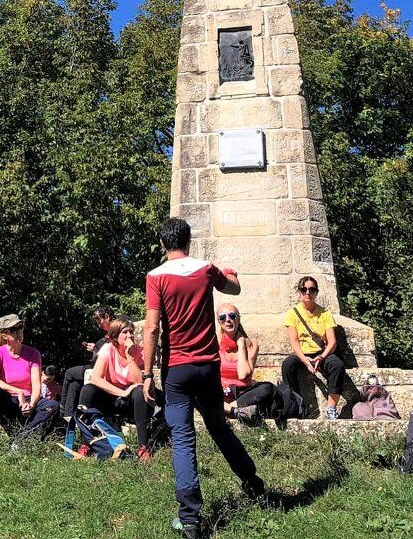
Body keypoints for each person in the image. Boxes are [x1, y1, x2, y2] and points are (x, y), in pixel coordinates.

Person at [142, 218, 265, 539]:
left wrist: (146, 373)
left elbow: (152, 328)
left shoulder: (155, 277)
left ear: (162, 243)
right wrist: (232, 272)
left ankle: (191, 519)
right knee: (218, 427)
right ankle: (253, 483)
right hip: (208, 366)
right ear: (189, 239)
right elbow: (233, 287)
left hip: (177, 370)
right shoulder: (204, 269)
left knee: (183, 438)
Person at [0, 314, 61, 458]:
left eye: (20, 327)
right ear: (4, 335)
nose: (19, 332)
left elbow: (36, 385)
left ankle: (20, 442)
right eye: (13, 330)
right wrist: (18, 392)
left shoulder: (33, 354)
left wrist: (32, 404)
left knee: (53, 405)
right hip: (9, 400)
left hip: (29, 401)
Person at [80, 318, 158, 461]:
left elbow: (140, 381)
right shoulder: (108, 349)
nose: (129, 336)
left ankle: (143, 447)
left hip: (131, 402)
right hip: (111, 398)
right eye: (125, 332)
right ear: (115, 336)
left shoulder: (139, 352)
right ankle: (87, 443)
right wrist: (122, 392)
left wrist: (129, 356)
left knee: (140, 391)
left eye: (131, 332)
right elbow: (96, 378)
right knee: (88, 390)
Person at [281, 276, 353, 419]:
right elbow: (294, 341)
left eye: (311, 289)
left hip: (322, 352)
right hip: (302, 353)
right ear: (299, 292)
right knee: (287, 365)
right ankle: (296, 404)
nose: (308, 293)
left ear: (316, 292)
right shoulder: (292, 314)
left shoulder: (325, 314)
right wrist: (305, 360)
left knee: (337, 365)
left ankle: (332, 407)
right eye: (304, 289)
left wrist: (321, 357)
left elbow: (332, 342)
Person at [217, 303, 275, 422]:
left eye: (232, 316)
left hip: (244, 394)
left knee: (267, 388)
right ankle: (234, 410)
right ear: (219, 322)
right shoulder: (214, 344)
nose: (228, 320)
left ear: (238, 318)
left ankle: (227, 409)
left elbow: (243, 375)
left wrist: (241, 345)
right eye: (223, 317)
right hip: (223, 393)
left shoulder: (251, 346)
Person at [60, 306, 115, 418]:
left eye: (99, 320)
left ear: (107, 317)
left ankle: (62, 409)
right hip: (98, 364)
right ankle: (68, 416)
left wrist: (95, 349)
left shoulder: (116, 330)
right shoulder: (108, 334)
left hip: (102, 367)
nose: (98, 325)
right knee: (74, 384)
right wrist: (95, 349)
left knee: (69, 373)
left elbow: (108, 353)